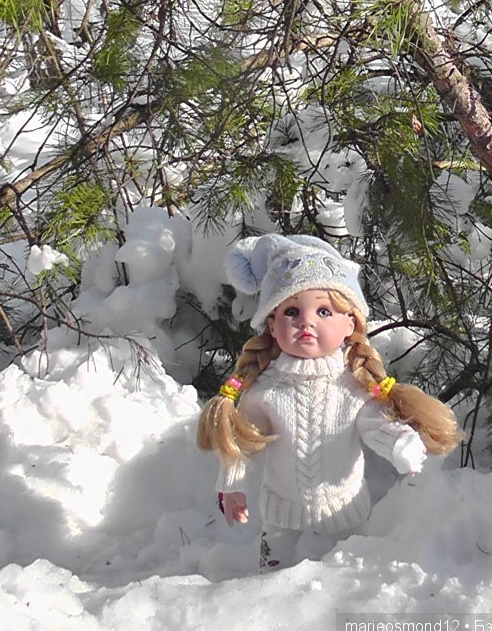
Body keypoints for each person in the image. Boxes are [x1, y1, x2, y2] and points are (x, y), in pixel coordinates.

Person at [197, 233, 461, 571]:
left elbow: (374, 423)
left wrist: (400, 442)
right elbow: (243, 441)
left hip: (344, 506)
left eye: (324, 310)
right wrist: (232, 487)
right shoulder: (266, 391)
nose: (306, 321)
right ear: (272, 325)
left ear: (350, 323)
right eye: (291, 311)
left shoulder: (352, 386)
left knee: (350, 572)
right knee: (269, 575)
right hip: (281, 509)